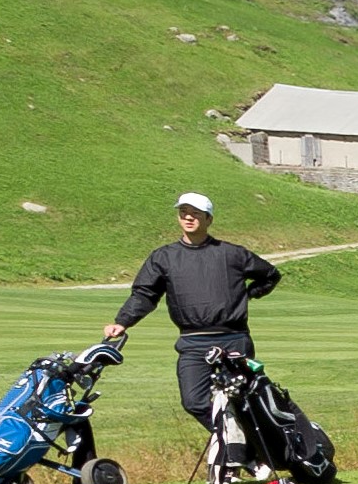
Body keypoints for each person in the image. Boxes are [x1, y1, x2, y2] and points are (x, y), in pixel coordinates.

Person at [102, 192, 283, 465]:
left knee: (246, 401)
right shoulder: (164, 257)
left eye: (195, 213)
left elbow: (270, 275)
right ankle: (240, 449)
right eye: (183, 212)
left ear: (208, 219)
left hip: (234, 339)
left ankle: (268, 454)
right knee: (194, 401)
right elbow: (145, 295)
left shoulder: (232, 254)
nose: (188, 217)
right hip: (192, 341)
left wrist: (248, 295)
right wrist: (123, 321)